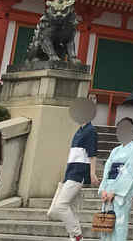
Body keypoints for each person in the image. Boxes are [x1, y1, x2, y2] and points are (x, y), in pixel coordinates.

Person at [46, 99, 99, 241]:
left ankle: (76, 234)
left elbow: (92, 154)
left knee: (61, 206)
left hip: (79, 173)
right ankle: (75, 237)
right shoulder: (79, 131)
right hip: (71, 173)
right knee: (71, 209)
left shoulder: (91, 131)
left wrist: (92, 173)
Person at [97, 118, 133, 241]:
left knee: (119, 223)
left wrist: (115, 191)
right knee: (106, 223)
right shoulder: (115, 150)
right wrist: (104, 190)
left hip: (122, 191)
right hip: (108, 189)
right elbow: (107, 170)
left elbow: (130, 172)